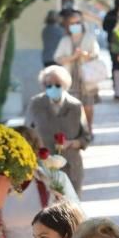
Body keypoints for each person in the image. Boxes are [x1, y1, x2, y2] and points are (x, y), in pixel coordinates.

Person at [26, 64, 91, 196]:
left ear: (65, 84)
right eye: (48, 85)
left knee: (72, 208)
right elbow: (26, 133)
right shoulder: (36, 104)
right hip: (44, 167)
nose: (53, 88)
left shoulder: (75, 106)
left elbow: (86, 137)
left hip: (71, 166)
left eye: (57, 84)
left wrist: (72, 143)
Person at [55, 8, 105, 132]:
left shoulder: (89, 37)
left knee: (88, 106)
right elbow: (58, 58)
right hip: (70, 78)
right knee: (73, 106)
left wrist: (84, 54)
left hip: (87, 78)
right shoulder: (65, 40)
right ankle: (77, 130)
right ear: (68, 25)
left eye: (77, 22)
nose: (75, 26)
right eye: (72, 23)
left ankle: (89, 129)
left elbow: (96, 55)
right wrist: (72, 57)